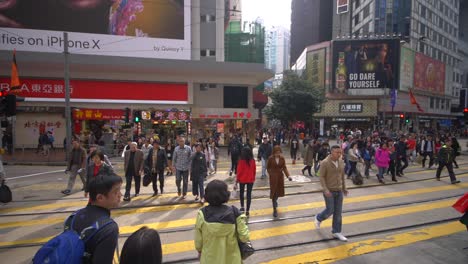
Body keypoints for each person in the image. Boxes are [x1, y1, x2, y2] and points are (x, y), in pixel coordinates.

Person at [65, 175, 122, 263]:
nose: (120, 195)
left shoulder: (73, 216)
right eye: (116, 192)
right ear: (100, 198)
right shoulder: (108, 228)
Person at [195, 180, 250, 264]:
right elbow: (244, 237)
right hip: (232, 259)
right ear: (226, 194)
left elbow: (198, 242)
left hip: (209, 259)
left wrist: (199, 251)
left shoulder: (202, 214)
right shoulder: (235, 213)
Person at [314, 145, 349, 242]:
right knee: (330, 210)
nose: (339, 154)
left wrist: (344, 188)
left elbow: (342, 176)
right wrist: (325, 189)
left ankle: (336, 231)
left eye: (340, 152)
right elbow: (321, 177)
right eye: (337, 152)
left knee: (338, 213)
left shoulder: (341, 161)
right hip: (329, 191)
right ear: (331, 152)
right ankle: (318, 218)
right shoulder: (325, 163)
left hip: (339, 190)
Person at [267, 146, 292, 218]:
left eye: (279, 152)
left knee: (278, 192)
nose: (278, 154)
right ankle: (274, 209)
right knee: (274, 193)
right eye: (276, 153)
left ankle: (275, 201)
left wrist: (288, 176)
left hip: (280, 177)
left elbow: (284, 167)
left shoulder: (282, 158)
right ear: (274, 152)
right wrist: (270, 174)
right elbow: (268, 167)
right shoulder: (270, 158)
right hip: (273, 178)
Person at [236, 146, 256, 216]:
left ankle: (242, 207)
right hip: (250, 179)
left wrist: (236, 181)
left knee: (241, 193)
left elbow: (239, 171)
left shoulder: (241, 161)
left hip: (242, 179)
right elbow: (254, 170)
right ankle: (248, 209)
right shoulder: (252, 160)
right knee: (249, 194)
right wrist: (253, 178)